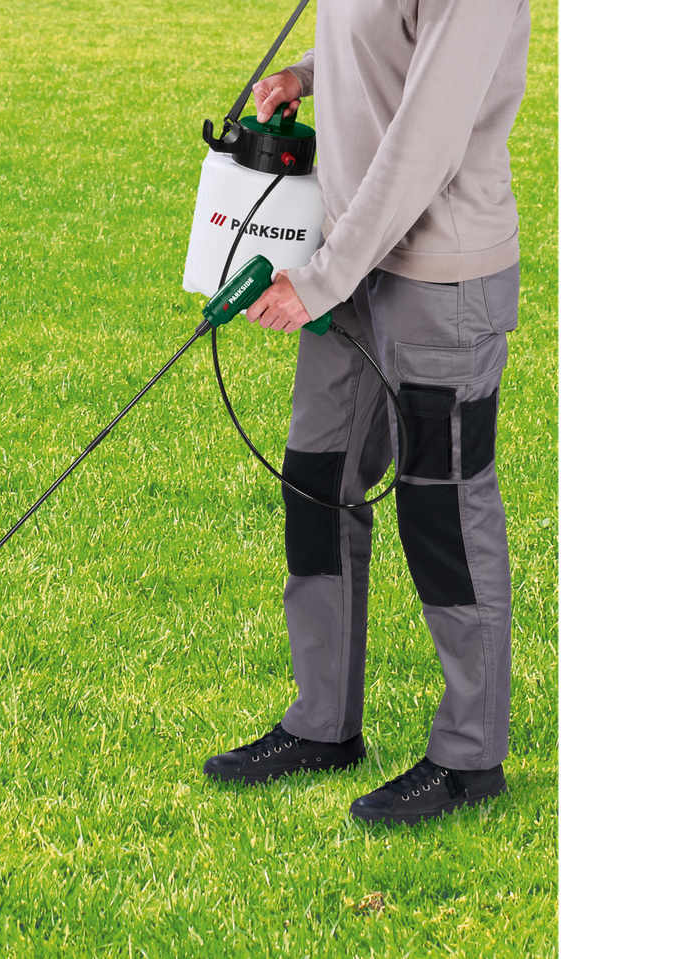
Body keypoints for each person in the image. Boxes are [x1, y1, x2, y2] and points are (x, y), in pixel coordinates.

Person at [201, 0, 532, 825]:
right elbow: (379, 41)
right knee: (316, 477)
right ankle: (322, 724)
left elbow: (425, 135)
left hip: (438, 270)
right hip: (352, 259)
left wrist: (320, 277)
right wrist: (304, 74)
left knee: (442, 505)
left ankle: (469, 754)